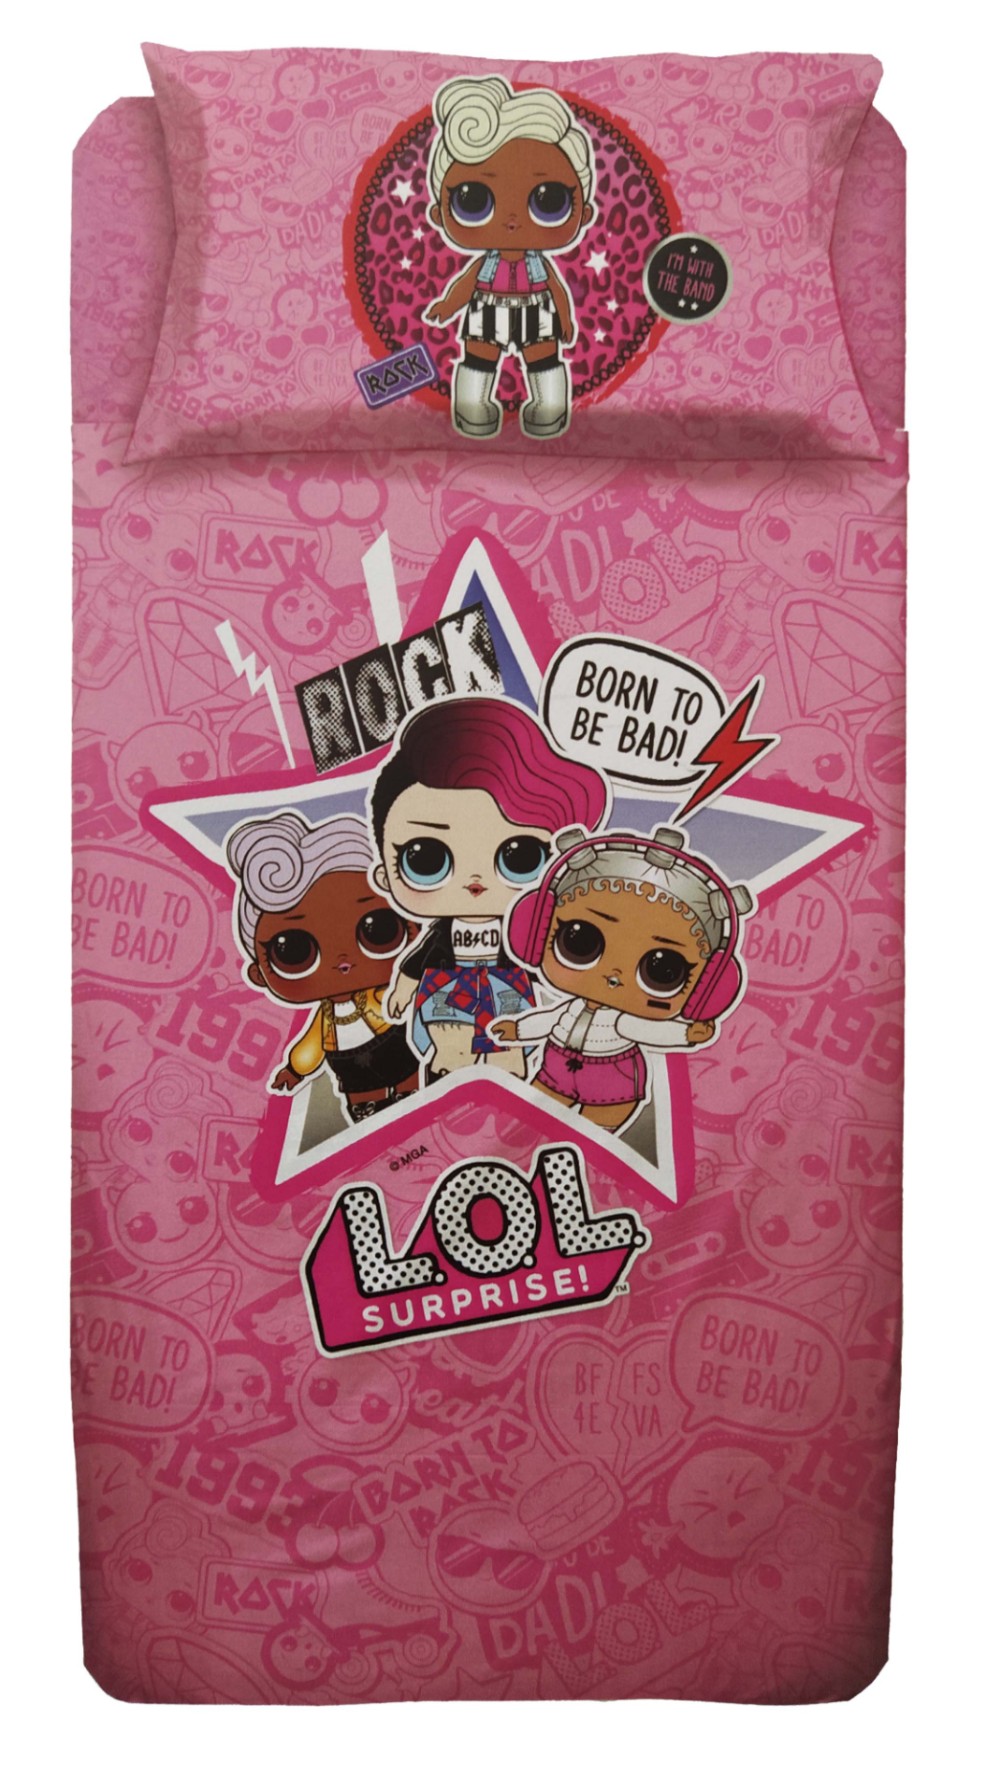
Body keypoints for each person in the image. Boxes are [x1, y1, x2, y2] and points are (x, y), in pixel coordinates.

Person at [368, 697, 607, 1082]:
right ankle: (450, 1070)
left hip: (506, 985)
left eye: (522, 857)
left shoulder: (522, 925)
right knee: (451, 1042)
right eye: (426, 859)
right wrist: (403, 986)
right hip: (449, 984)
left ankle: (506, 1072)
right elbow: (423, 956)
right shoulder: (443, 931)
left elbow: (540, 957)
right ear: (385, 874)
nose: (475, 880)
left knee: (508, 1045)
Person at [493, 825, 754, 1133]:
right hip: (556, 1068)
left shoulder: (625, 1022)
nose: (614, 976)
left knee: (594, 1134)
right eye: (581, 942)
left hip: (612, 1078)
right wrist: (518, 1029)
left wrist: (686, 1034)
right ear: (535, 934)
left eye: (661, 970)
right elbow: (550, 1020)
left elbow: (649, 1030)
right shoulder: (571, 1009)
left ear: (706, 988)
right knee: (530, 1123)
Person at [424, 74, 596, 439]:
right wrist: (448, 305)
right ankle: (474, 411)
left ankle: (548, 411)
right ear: (439, 213)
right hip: (488, 307)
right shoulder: (487, 263)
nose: (512, 220)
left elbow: (557, 289)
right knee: (478, 358)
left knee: (544, 359)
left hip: (536, 308)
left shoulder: (538, 264)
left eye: (549, 200)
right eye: (473, 201)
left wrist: (566, 318)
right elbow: (466, 283)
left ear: (584, 214)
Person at [226, 812, 420, 1121]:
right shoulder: (326, 1019)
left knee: (412, 1082)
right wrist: (295, 1070)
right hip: (350, 1067)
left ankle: (414, 1095)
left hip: (396, 1048)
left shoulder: (388, 991)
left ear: (414, 927)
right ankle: (366, 1110)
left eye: (379, 930)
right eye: (294, 951)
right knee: (363, 1098)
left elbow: (412, 998)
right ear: (258, 974)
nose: (343, 962)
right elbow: (312, 1044)